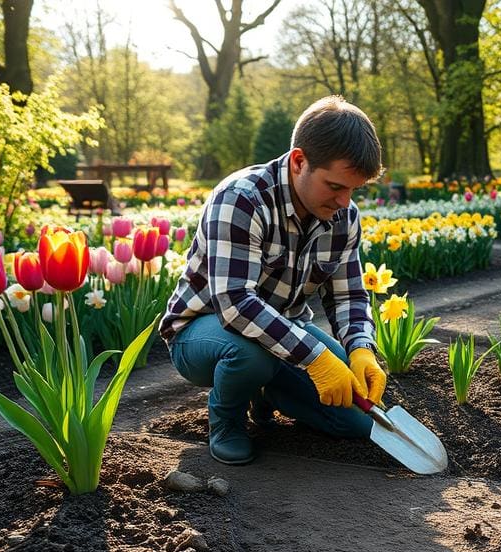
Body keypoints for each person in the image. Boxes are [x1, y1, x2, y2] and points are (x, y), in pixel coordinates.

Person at [159, 96, 387, 465]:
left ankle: (267, 391)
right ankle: (227, 421)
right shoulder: (242, 199)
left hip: (286, 334)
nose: (345, 202)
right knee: (251, 356)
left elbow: (348, 296)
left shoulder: (344, 216)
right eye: (335, 187)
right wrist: (315, 358)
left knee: (356, 419)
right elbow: (234, 305)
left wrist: (361, 348)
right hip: (202, 333)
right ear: (299, 161)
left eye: (353, 190)